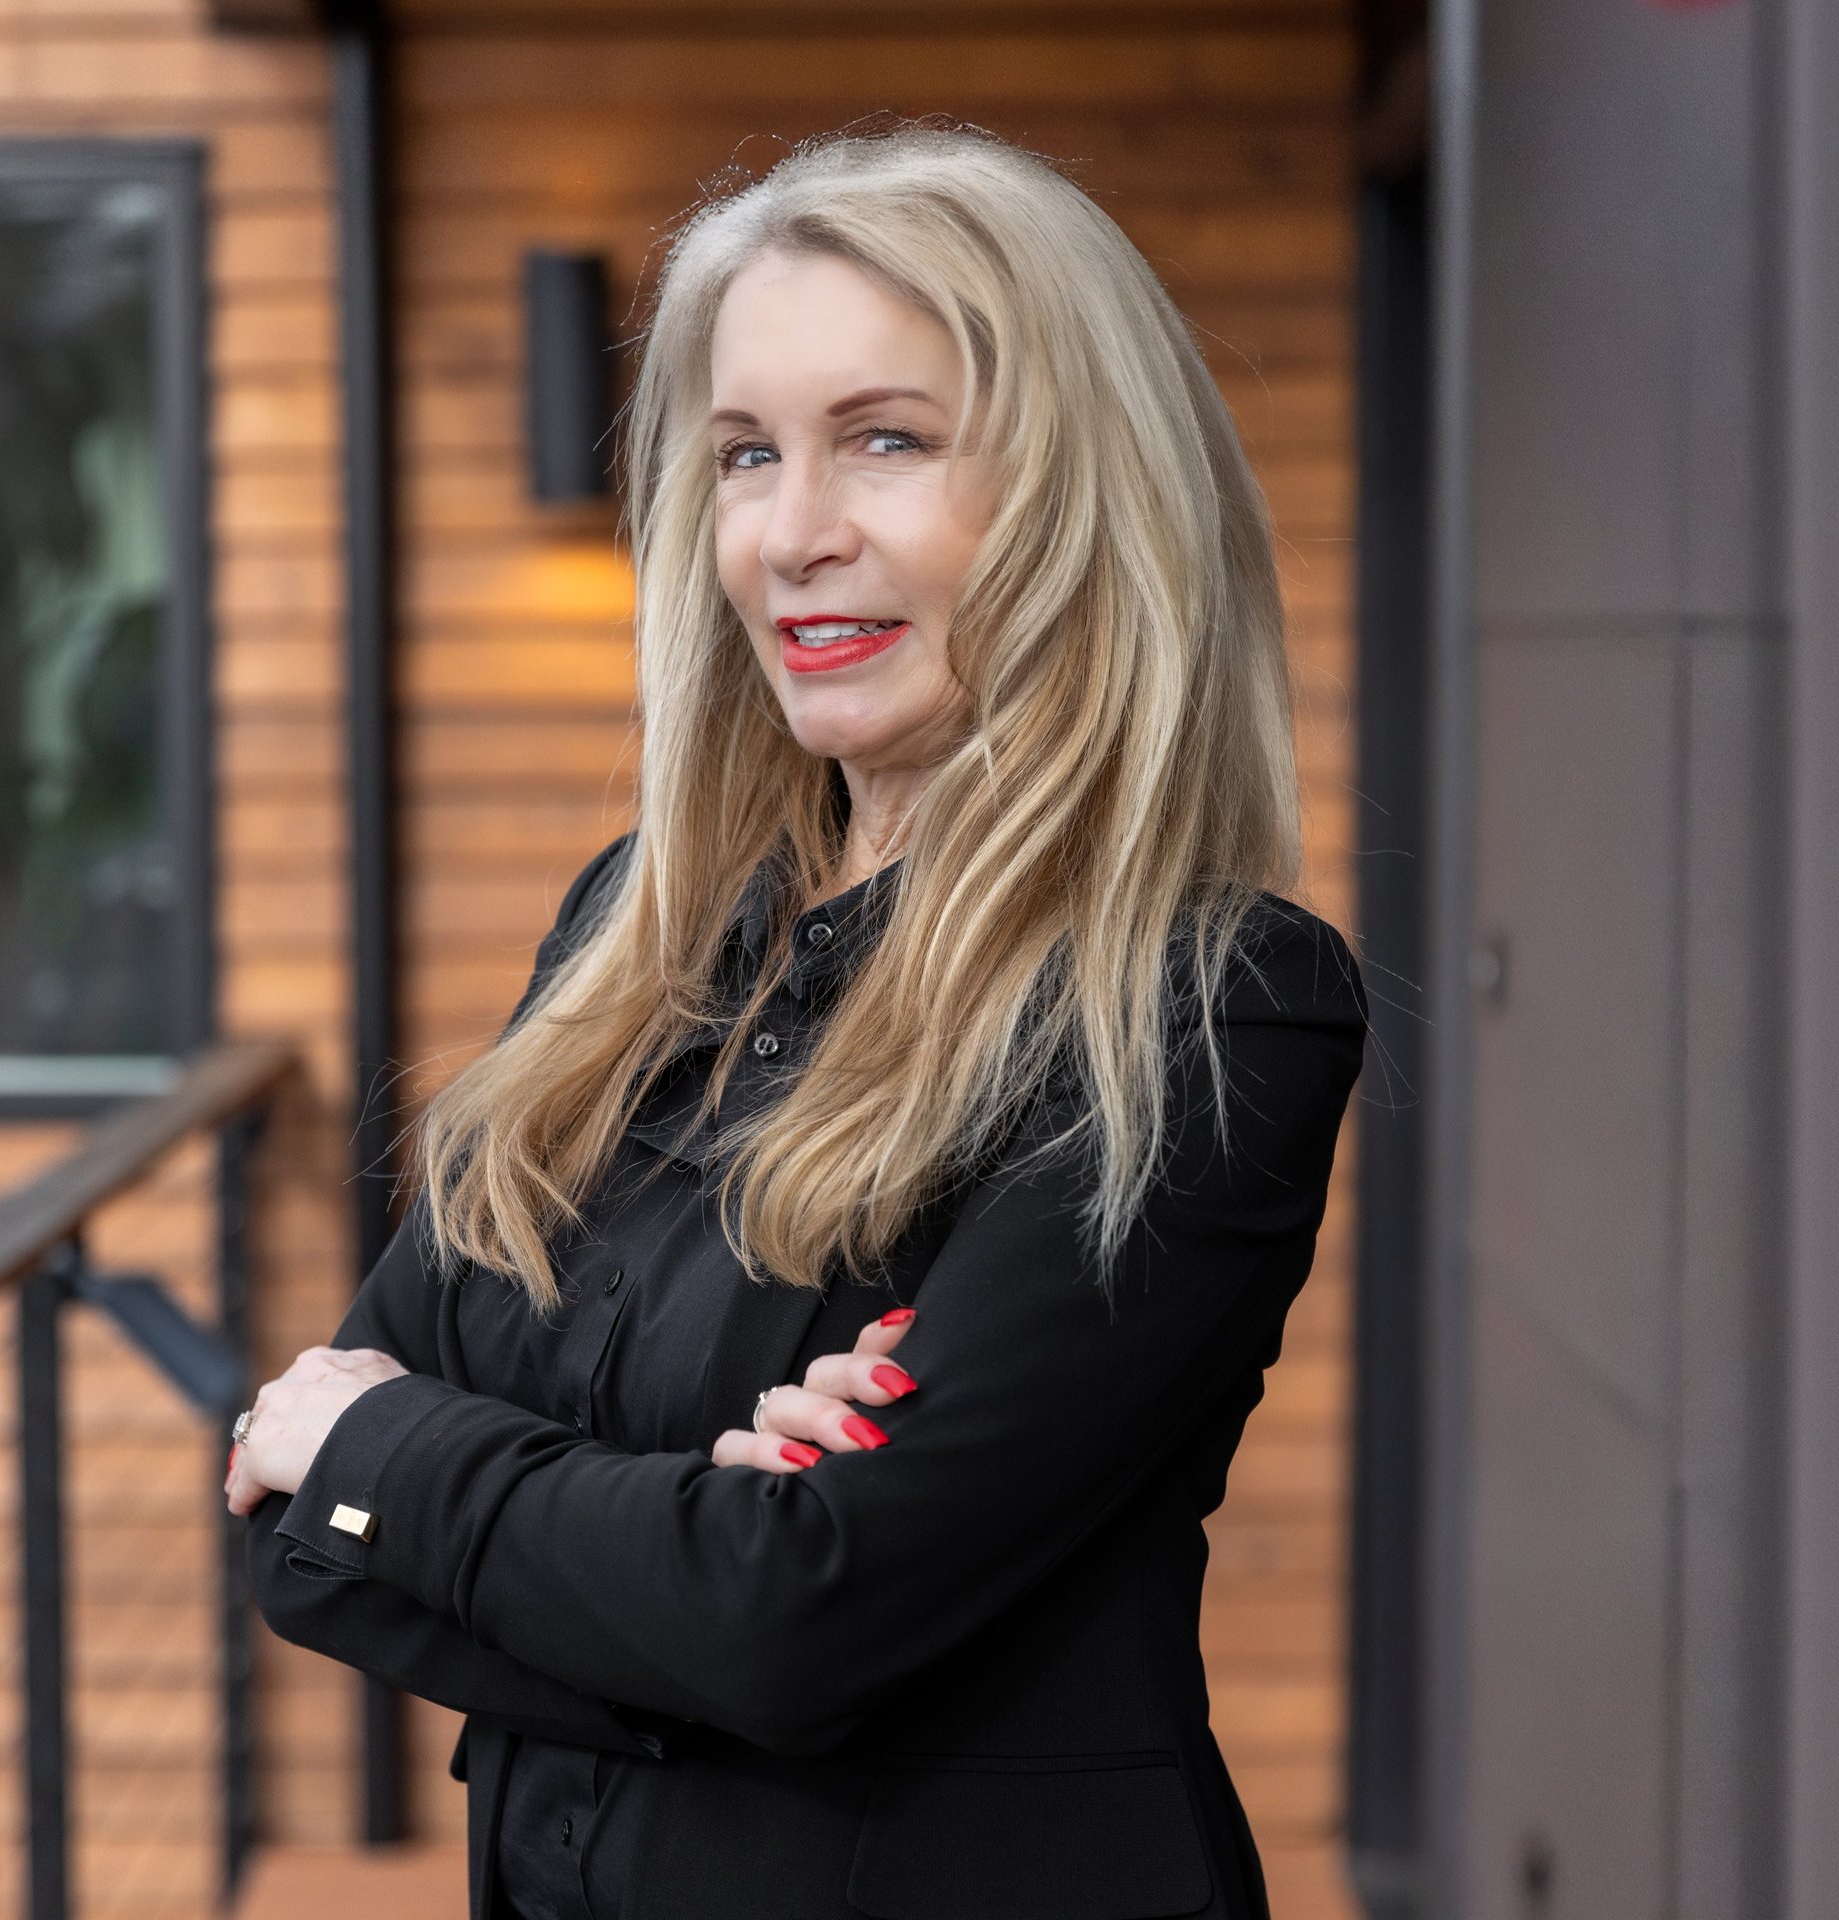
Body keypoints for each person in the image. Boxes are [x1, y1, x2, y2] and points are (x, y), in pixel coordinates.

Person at [227, 121, 1369, 1920]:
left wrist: (406, 1458)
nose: (795, 533)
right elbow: (294, 1539)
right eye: (746, 452)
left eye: (887, 441)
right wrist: (681, 1546)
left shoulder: (1205, 1004)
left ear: (1086, 495)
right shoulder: (638, 926)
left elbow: (785, 1618)